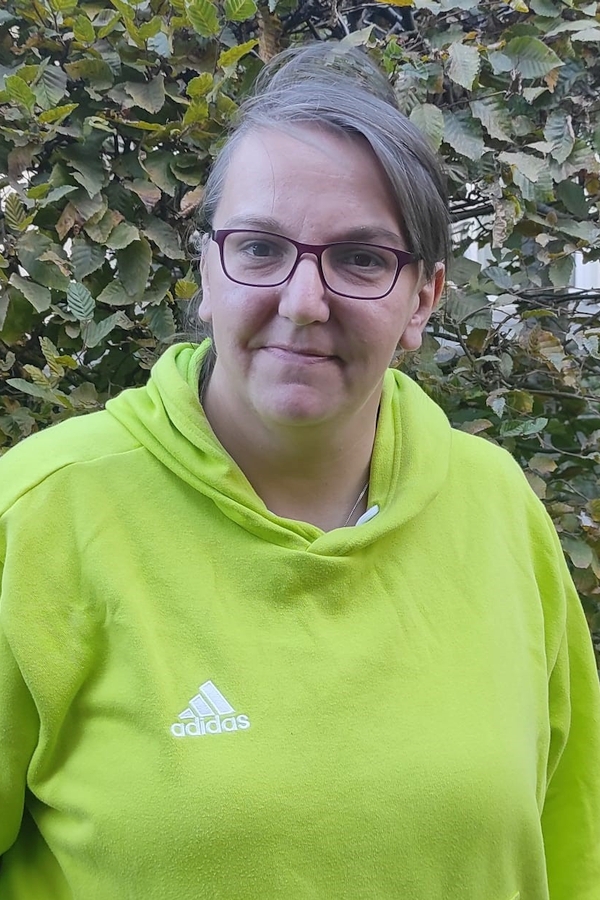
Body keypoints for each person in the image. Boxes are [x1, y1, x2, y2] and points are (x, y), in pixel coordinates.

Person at [0, 42, 599, 900]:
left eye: (361, 259)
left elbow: (573, 845)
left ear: (423, 299)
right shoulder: (40, 513)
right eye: (259, 247)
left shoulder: (498, 506)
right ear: (208, 270)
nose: (304, 303)